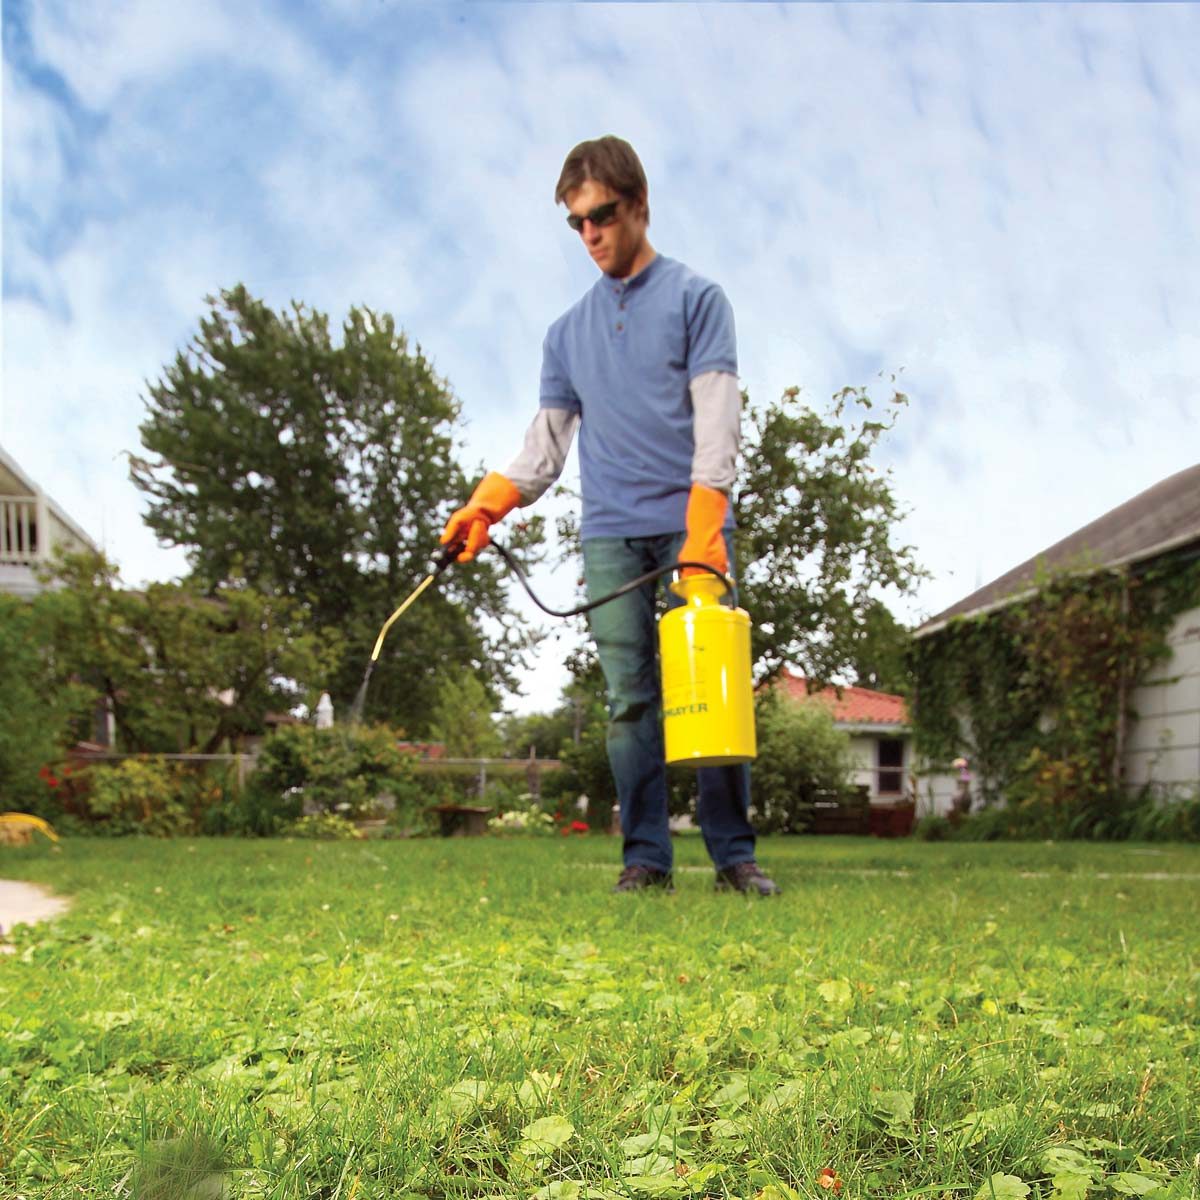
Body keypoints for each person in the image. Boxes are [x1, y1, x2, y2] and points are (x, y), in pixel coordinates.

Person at [440, 135, 780, 896]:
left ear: (640, 205)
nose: (591, 233)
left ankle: (734, 855)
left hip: (692, 521)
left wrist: (705, 528)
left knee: (714, 685)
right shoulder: (565, 335)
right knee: (630, 699)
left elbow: (717, 417)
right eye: (576, 223)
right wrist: (486, 505)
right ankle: (646, 859)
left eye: (603, 215)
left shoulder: (698, 300)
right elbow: (548, 446)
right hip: (610, 534)